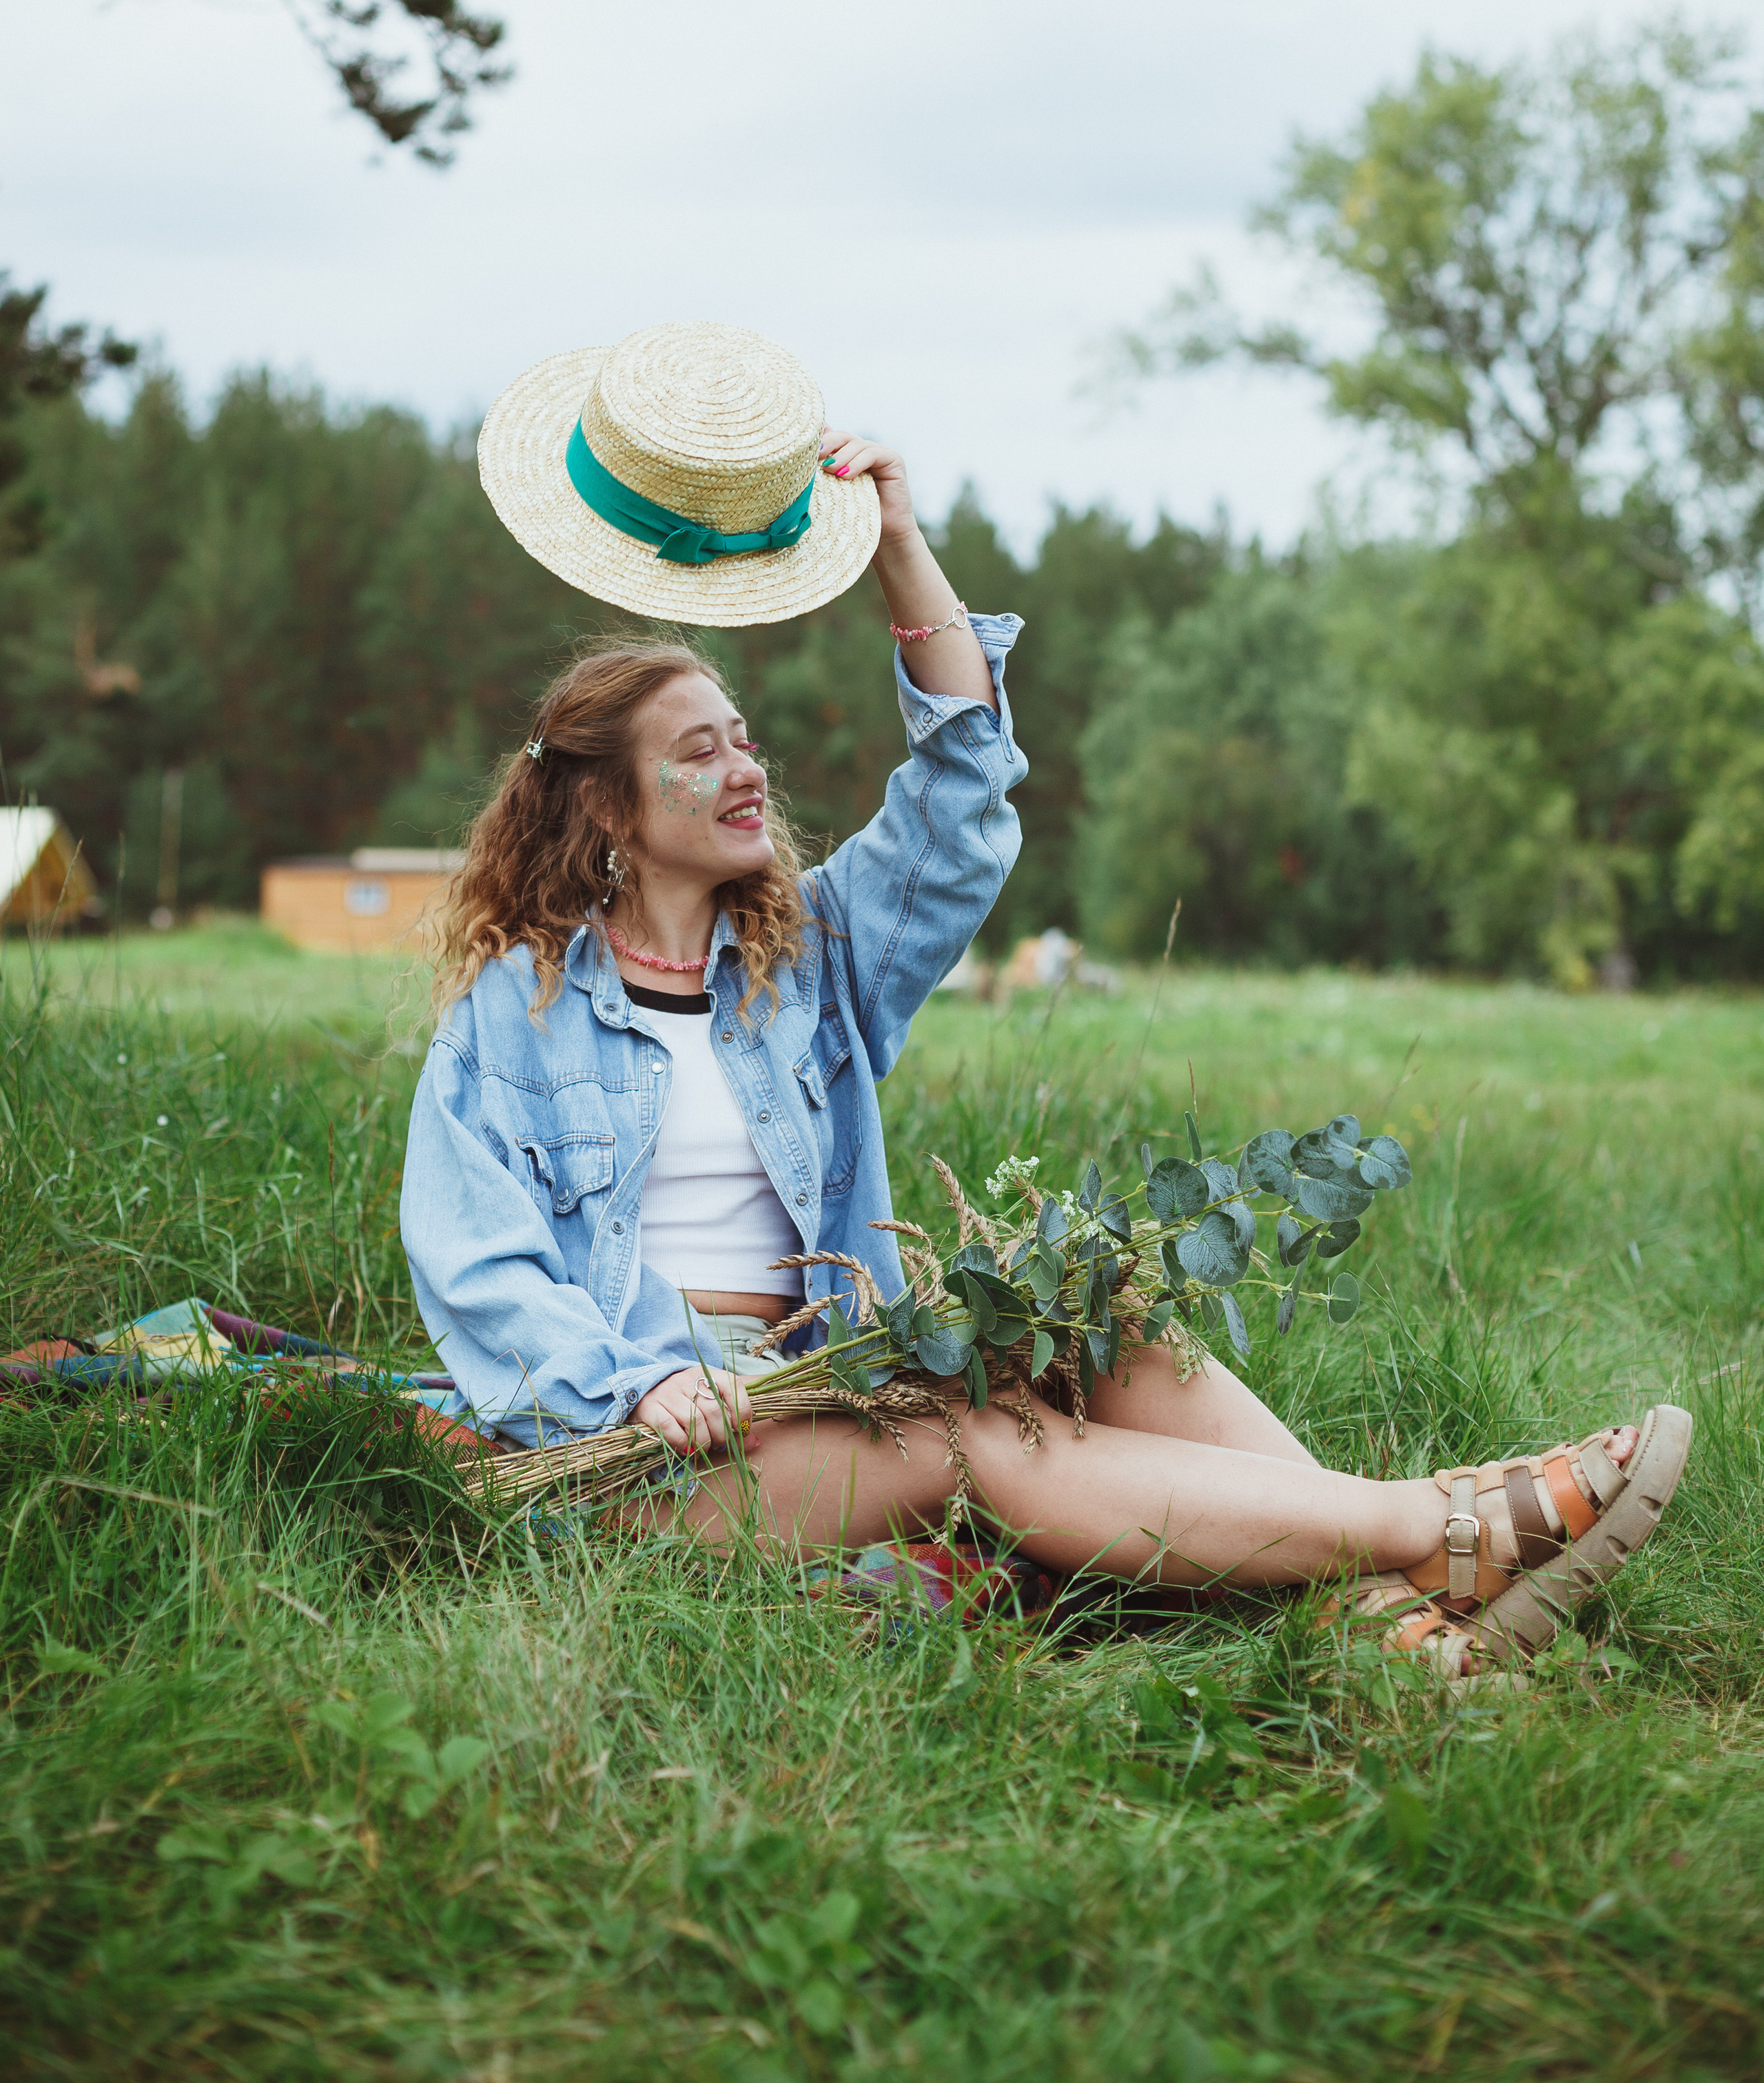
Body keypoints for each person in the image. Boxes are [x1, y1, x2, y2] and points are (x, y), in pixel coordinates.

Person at [402, 320, 1688, 1680]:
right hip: (650, 1468)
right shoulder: (512, 1014)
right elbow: (476, 1261)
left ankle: (1375, 1618)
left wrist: (897, 542)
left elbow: (960, 792)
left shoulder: (811, 958)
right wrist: (638, 1385)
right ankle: (1433, 1526)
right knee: (974, 1439)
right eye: (695, 750)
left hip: (836, 1389)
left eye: (746, 740)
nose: (745, 772)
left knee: (1102, 1318)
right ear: (605, 802)